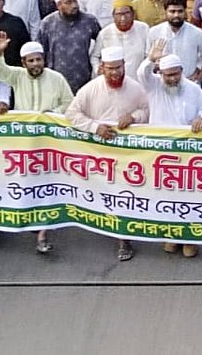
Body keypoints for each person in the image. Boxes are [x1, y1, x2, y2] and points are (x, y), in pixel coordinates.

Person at [64, 46, 148, 261]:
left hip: (127, 155)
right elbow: (71, 113)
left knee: (124, 194)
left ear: (124, 66)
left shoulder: (135, 88)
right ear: (102, 68)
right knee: (105, 194)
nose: (115, 73)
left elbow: (146, 110)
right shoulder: (90, 89)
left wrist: (134, 117)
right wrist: (95, 128)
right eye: (110, 68)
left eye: (118, 68)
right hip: (99, 153)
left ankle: (124, 238)